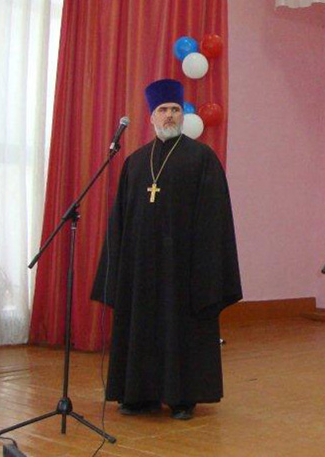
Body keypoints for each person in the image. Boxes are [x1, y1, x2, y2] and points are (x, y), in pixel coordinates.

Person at [91, 78, 242, 421]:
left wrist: (206, 269)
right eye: (163, 110)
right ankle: (138, 394)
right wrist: (118, 269)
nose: (170, 115)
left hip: (183, 268)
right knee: (141, 326)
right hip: (141, 267)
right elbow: (120, 221)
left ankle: (183, 397)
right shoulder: (135, 162)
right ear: (152, 117)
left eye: (175, 109)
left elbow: (215, 218)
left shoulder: (202, 158)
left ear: (182, 114)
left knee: (180, 329)